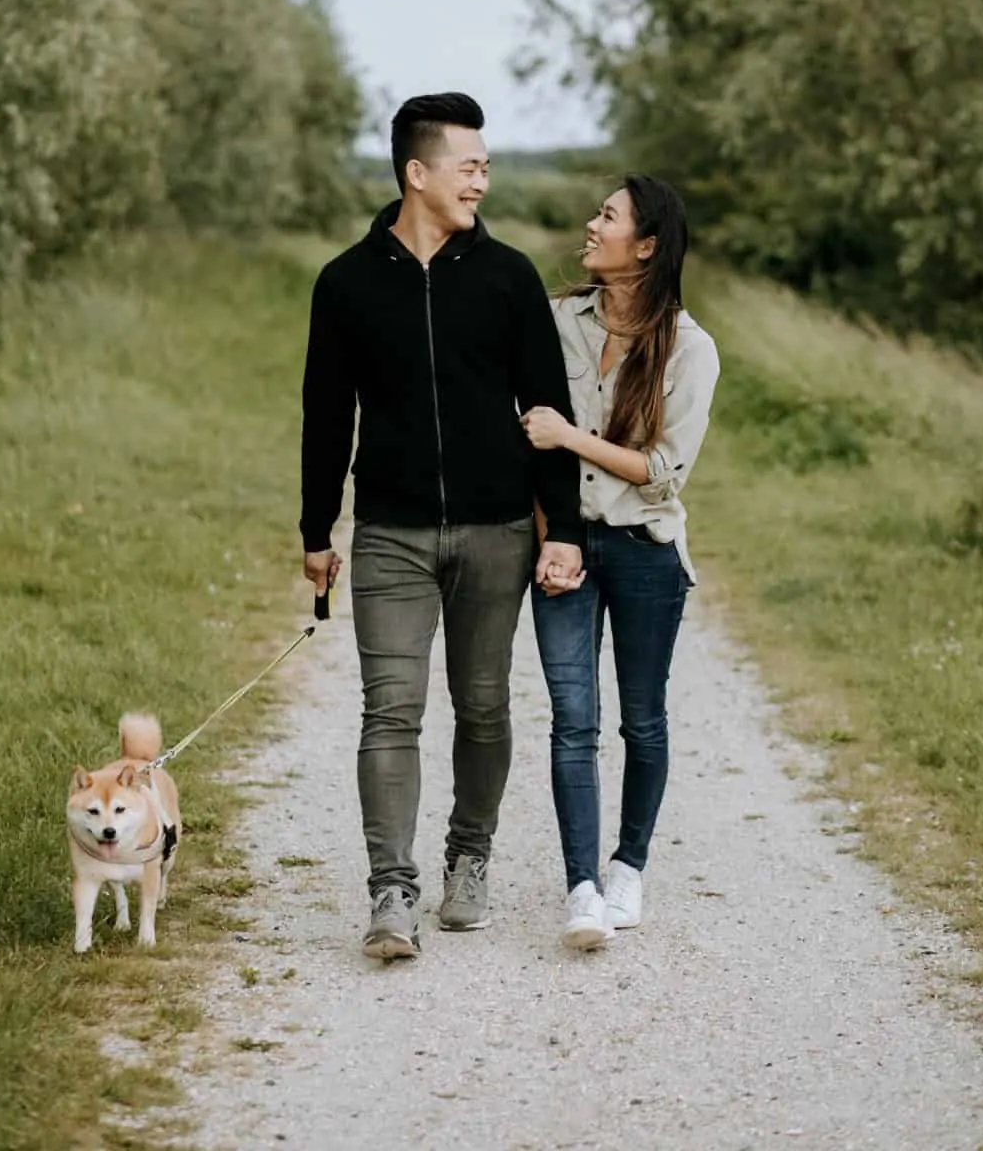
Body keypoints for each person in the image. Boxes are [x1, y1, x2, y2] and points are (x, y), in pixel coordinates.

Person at [300, 92, 584, 959]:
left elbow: (548, 406)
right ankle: (391, 890)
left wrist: (561, 525)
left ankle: (470, 859)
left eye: (489, 167)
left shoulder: (507, 279)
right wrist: (319, 531)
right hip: (389, 532)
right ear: (417, 173)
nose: (483, 181)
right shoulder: (346, 283)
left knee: (485, 704)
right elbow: (324, 413)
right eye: (471, 166)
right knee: (390, 710)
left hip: (498, 529)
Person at [521, 175, 719, 950]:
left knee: (642, 719)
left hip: (645, 553)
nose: (590, 224)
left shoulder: (689, 349)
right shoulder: (554, 322)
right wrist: (550, 537)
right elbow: (525, 439)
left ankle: (628, 864)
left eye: (608, 216)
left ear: (645, 245)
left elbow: (664, 471)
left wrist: (572, 438)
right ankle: (581, 887)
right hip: (568, 547)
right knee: (573, 723)